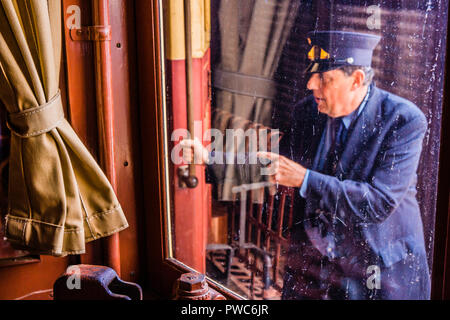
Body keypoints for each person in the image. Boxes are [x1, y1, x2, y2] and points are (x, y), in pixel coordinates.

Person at [181, 30, 431, 300]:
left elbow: (378, 202)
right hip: (324, 266)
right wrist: (210, 158)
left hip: (381, 270)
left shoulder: (402, 120)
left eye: (323, 77)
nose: (311, 84)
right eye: (312, 75)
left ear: (357, 80)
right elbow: (278, 162)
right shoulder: (309, 111)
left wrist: (305, 180)